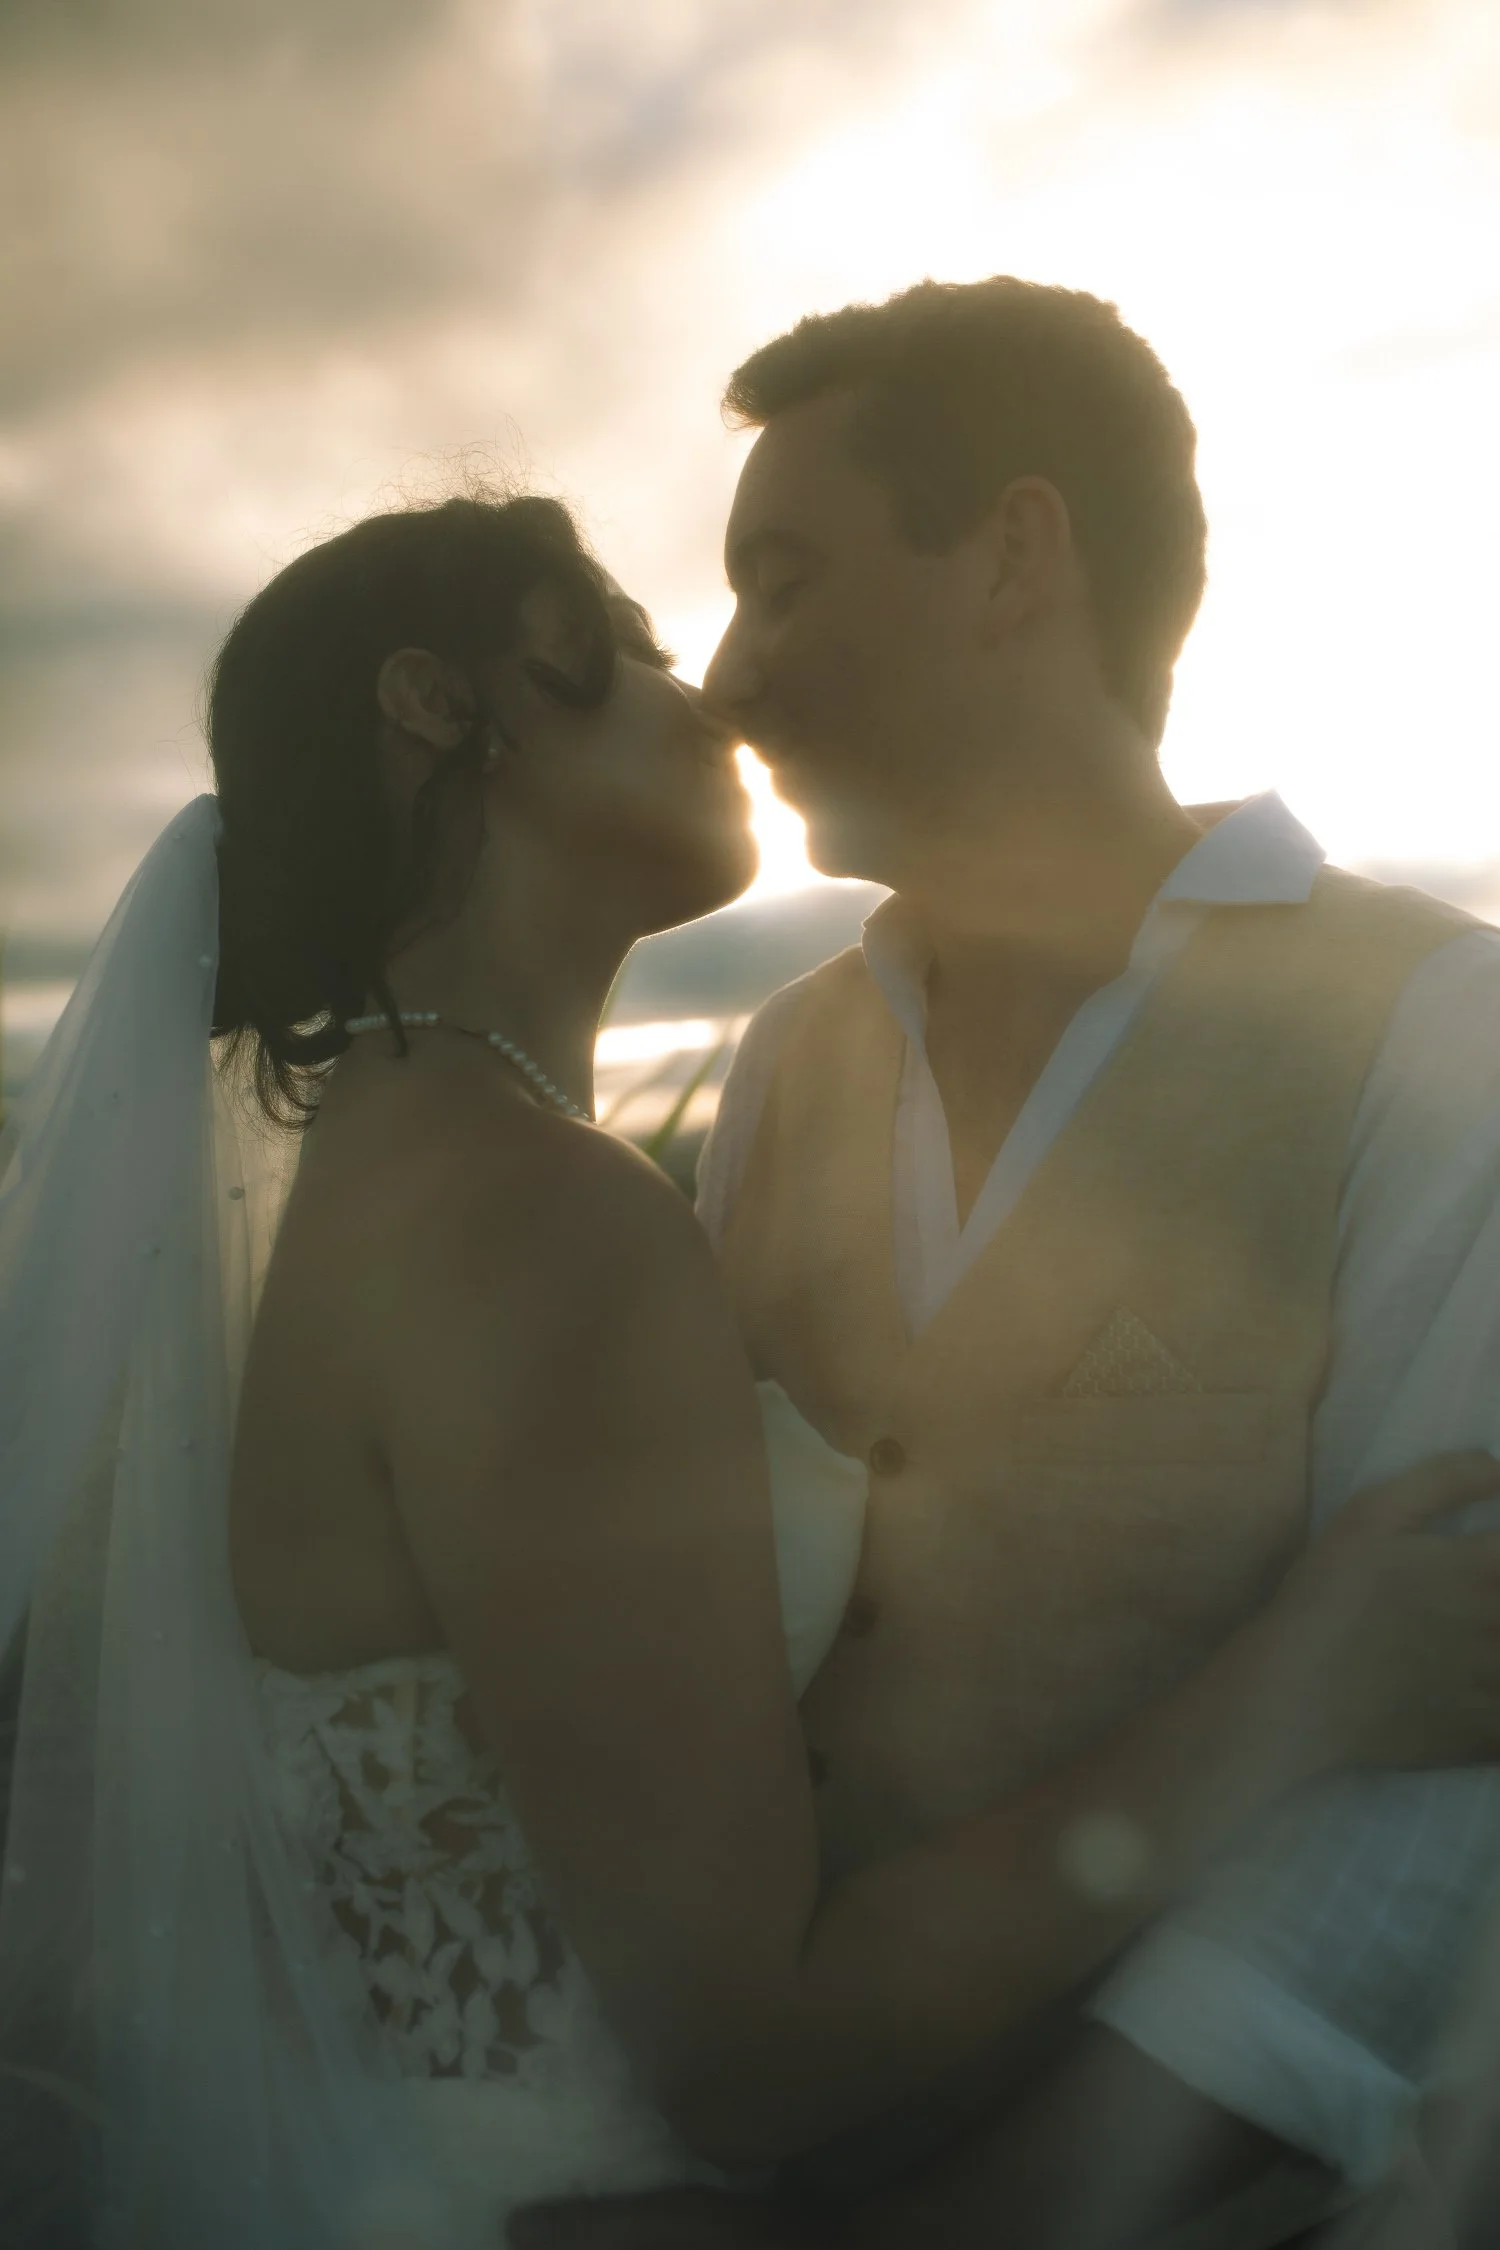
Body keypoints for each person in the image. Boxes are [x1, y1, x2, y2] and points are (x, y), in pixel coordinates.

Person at [2, 487, 1500, 2250]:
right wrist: (1289, 1693)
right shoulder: (533, 1216)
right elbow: (749, 2051)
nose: (707, 689)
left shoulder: (379, 1171)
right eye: (630, 646)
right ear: (434, 704)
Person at [526, 278, 1500, 2250]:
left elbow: (1425, 1761)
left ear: (1016, 558)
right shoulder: (786, 1052)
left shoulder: (1436, 1029)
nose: (727, 677)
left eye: (783, 582)